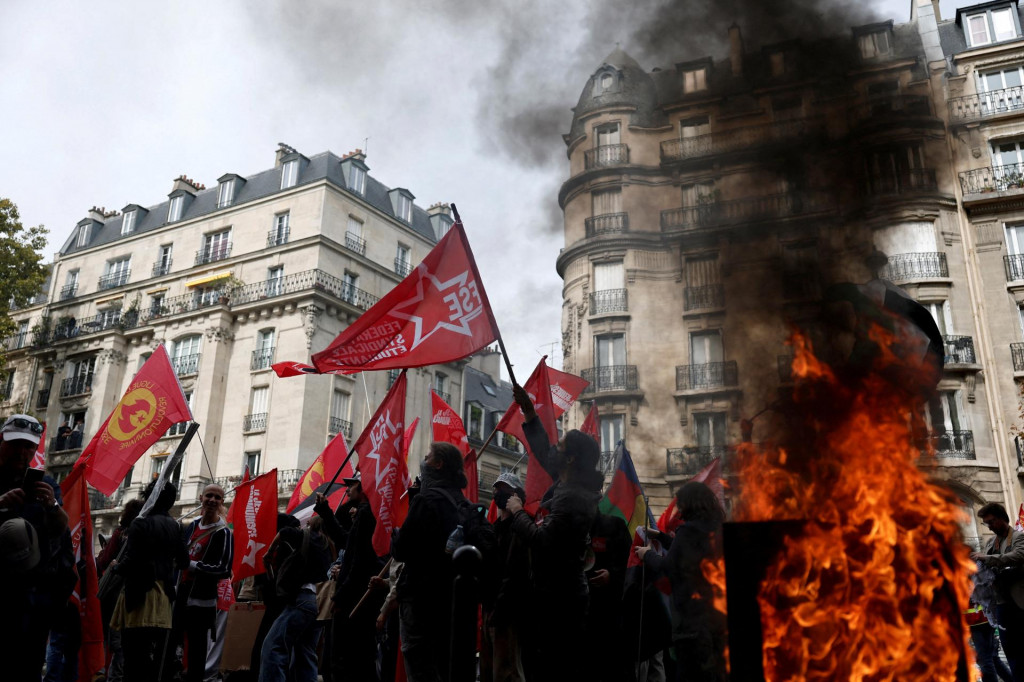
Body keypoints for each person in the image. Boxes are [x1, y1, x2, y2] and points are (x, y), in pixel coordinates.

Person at [505, 386, 604, 682]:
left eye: (560, 447)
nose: (554, 451)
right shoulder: (570, 483)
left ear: (571, 459)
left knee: (550, 668)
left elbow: (544, 541)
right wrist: (529, 412)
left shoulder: (572, 495)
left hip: (558, 602)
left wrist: (518, 511)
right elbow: (542, 448)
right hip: (556, 595)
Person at [0, 413, 73, 682]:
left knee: (27, 668)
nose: (22, 451)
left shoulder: (47, 484)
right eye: (16, 443)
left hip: (33, 601)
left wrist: (52, 506)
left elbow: (62, 530)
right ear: (2, 440)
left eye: (29, 446)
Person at [393, 441, 474, 682]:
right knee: (443, 666)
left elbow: (402, 549)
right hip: (451, 600)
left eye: (427, 457)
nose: (423, 462)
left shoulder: (426, 501)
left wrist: (396, 535)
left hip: (420, 599)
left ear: (438, 465)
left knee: (419, 666)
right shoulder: (464, 504)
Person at [637, 481, 726, 682]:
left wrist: (647, 554)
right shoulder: (716, 529)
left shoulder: (688, 531)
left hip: (691, 623)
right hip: (717, 620)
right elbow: (687, 555)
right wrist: (660, 536)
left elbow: (669, 567)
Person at [109, 480, 189, 681]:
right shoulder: (175, 526)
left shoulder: (140, 522)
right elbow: (184, 561)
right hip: (163, 598)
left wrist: (115, 567)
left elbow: (131, 559)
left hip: (139, 596)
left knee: (133, 657)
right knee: (157, 660)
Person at [314, 474, 384, 682]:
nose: (347, 489)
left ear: (364, 488)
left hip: (355, 599)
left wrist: (341, 597)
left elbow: (359, 560)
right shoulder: (364, 514)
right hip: (355, 596)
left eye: (352, 485)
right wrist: (325, 511)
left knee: (348, 660)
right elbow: (346, 542)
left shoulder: (366, 514)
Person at [259, 513, 332, 682]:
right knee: (305, 652)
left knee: (273, 647)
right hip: (319, 603)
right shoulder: (328, 545)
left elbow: (284, 532)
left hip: (302, 599)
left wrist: (269, 553)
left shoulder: (311, 537)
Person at [177, 484, 233, 682]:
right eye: (209, 496)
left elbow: (224, 569)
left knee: (197, 652)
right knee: (173, 644)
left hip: (202, 602)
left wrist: (192, 565)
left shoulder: (223, 533)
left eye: (217, 498)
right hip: (181, 596)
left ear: (221, 502)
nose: (212, 500)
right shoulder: (192, 525)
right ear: (201, 498)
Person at [482, 472, 530, 682]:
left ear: (516, 495)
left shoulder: (520, 527)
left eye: (504, 489)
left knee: (507, 671)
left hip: (508, 612)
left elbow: (515, 572)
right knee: (489, 669)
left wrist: (500, 608)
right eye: (496, 488)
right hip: (490, 608)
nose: (497, 493)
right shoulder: (493, 529)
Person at [972, 502, 1024, 681]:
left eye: (992, 521)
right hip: (1001, 606)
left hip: (1020, 604)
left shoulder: (1018, 537)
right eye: (987, 523)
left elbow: (1018, 555)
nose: (990, 526)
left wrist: (987, 558)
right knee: (1011, 653)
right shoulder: (990, 543)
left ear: (1003, 518)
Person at [585, 511, 632, 681]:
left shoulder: (614, 525)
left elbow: (629, 562)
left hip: (608, 610)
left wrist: (612, 575)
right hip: (579, 610)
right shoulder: (567, 523)